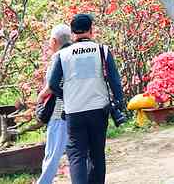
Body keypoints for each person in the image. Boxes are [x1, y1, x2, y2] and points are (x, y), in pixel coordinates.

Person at [46, 12, 126, 184]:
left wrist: (66, 96)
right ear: (91, 30)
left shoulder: (63, 54)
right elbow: (114, 80)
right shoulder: (102, 50)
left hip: (74, 111)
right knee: (97, 154)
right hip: (99, 109)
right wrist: (118, 102)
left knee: (76, 156)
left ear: (73, 32)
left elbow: (52, 84)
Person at [35, 23, 71, 184]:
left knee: (52, 153)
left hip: (58, 111)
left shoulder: (58, 57)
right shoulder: (73, 54)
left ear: (54, 41)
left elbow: (52, 85)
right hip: (75, 109)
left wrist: (40, 97)